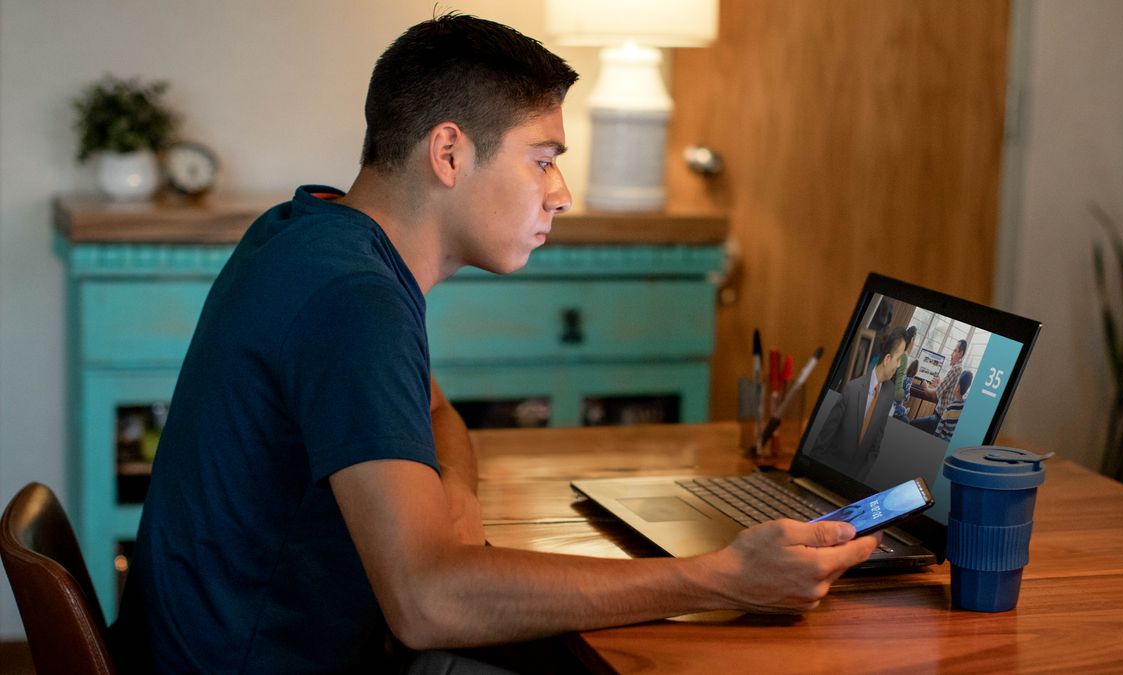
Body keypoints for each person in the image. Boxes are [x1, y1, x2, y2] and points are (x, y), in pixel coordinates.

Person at [110, 14, 880, 673]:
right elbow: (427, 602)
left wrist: (454, 503)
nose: (562, 195)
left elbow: (439, 415)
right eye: (542, 160)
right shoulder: (352, 299)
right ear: (449, 153)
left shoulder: (310, 230)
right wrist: (720, 577)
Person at [809, 330, 908, 482]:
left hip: (853, 479)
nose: (899, 364)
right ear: (888, 359)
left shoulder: (889, 393)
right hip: (827, 473)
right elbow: (822, 441)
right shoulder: (852, 389)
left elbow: (875, 448)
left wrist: (856, 481)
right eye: (899, 358)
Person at [910, 339, 967, 434]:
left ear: (961, 353)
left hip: (938, 419)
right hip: (940, 418)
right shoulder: (958, 369)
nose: (951, 354)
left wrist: (925, 387)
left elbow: (935, 395)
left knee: (911, 424)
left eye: (954, 351)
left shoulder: (955, 369)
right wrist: (939, 385)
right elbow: (947, 391)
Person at [933, 370, 973, 440]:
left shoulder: (950, 408)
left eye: (956, 383)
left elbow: (939, 428)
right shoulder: (963, 406)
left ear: (958, 387)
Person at [890, 326, 917, 419]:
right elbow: (900, 394)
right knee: (906, 420)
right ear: (912, 340)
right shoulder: (904, 358)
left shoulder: (899, 353)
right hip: (891, 405)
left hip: (888, 398)